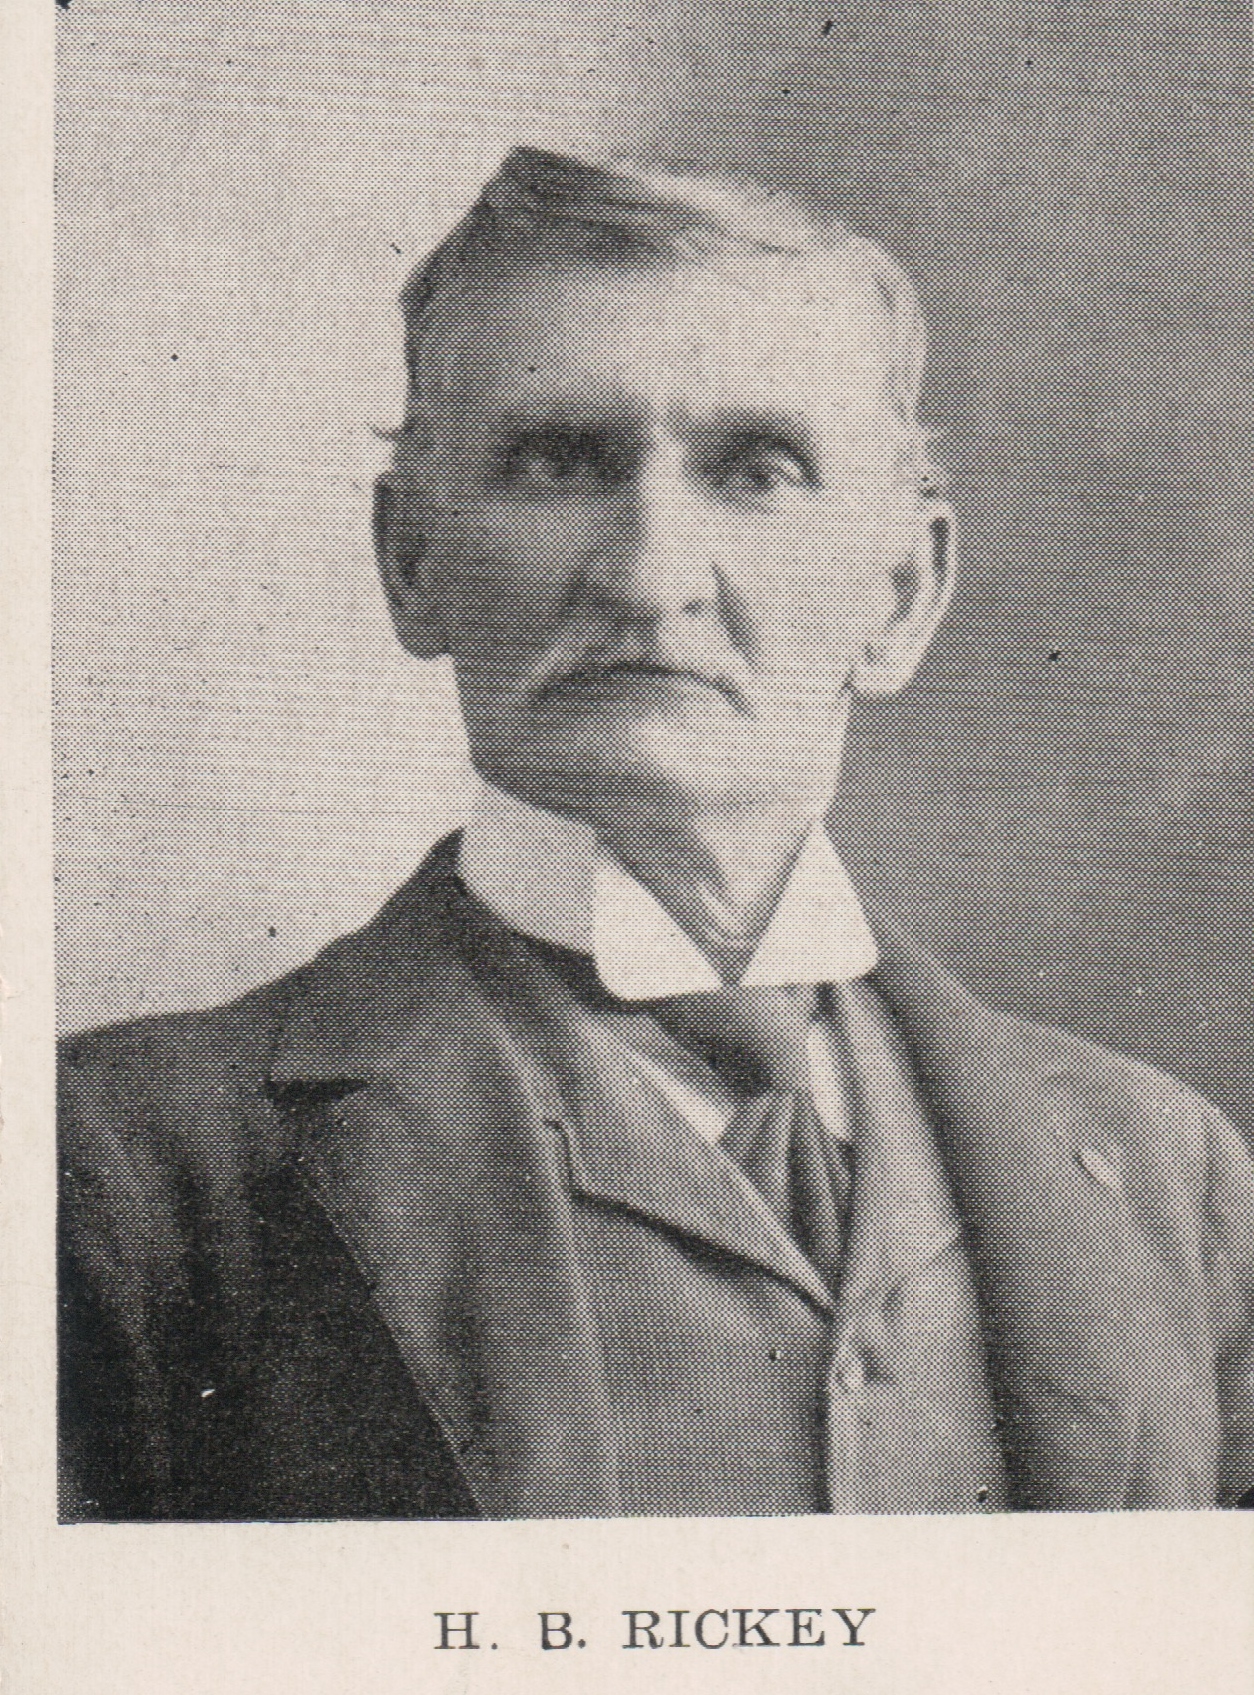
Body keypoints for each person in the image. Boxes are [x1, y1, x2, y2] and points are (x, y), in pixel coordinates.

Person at [58, 147, 1254, 1520]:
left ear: (903, 592)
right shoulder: (123, 1168)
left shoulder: (1174, 1176)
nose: (648, 576)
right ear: (410, 559)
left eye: (756, 471)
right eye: (559, 461)